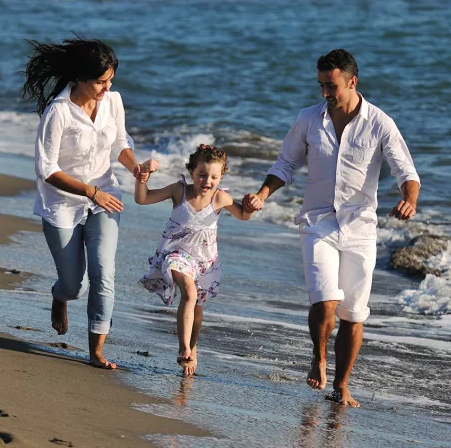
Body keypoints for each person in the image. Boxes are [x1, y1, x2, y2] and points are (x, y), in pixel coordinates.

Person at [243, 49, 420, 407]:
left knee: (353, 313)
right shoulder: (309, 119)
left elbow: (407, 172)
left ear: (352, 82)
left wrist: (409, 200)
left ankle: (342, 385)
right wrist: (262, 194)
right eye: (321, 85)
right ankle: (318, 356)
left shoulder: (380, 122)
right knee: (325, 300)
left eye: (332, 85)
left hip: (360, 227)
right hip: (317, 221)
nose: (325, 92)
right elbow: (286, 162)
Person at [21, 36, 146, 370]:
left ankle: (96, 351)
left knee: (104, 272)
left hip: (105, 195)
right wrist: (90, 192)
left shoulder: (113, 102)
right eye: (100, 82)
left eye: (110, 81)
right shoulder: (58, 113)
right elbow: (46, 170)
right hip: (61, 204)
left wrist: (135, 167)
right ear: (79, 78)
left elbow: (120, 142)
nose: (106, 88)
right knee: (75, 285)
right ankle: (59, 295)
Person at [135, 144, 253, 376]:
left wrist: (251, 206)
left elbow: (244, 215)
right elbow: (142, 198)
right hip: (175, 254)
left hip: (204, 261)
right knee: (188, 293)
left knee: (197, 307)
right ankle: (183, 347)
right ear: (191, 172)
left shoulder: (220, 198)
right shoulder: (179, 191)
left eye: (214, 177)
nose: (207, 181)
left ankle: (192, 345)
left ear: (221, 177)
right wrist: (142, 177)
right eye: (202, 174)